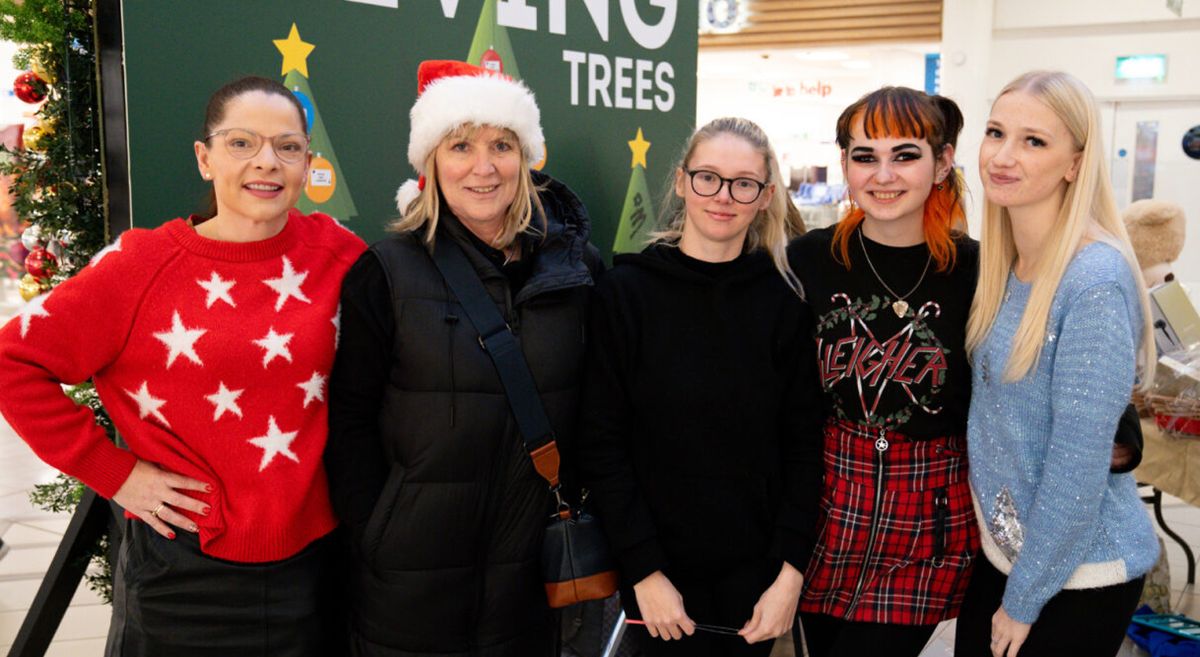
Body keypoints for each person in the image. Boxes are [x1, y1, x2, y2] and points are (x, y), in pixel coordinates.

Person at [0, 76, 366, 656]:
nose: (266, 163)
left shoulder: (341, 254)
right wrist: (113, 471)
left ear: (307, 163)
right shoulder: (141, 265)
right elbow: (11, 361)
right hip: (182, 577)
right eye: (242, 143)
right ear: (205, 158)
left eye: (287, 146)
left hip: (317, 569)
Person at [325, 60, 602, 657]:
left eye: (502, 144)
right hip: (407, 583)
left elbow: (601, 410)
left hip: (532, 576)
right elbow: (348, 420)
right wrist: (379, 531)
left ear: (526, 159)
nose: (483, 166)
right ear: (431, 162)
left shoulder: (578, 272)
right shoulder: (387, 270)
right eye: (460, 145)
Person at [575, 116, 824, 657]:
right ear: (683, 181)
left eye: (744, 183)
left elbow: (804, 449)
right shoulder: (626, 295)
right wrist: (644, 571)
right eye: (708, 177)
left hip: (756, 586)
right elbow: (602, 444)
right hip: (654, 579)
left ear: (765, 196)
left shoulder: (784, 301)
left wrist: (789, 576)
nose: (724, 196)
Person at [955, 70, 1160, 657]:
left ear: (1075, 162)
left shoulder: (1093, 280)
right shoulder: (1006, 262)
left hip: (1077, 571)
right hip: (1013, 555)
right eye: (996, 133)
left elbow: (1079, 461)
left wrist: (1023, 600)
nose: (1003, 155)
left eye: (1034, 141)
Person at [787, 87, 980, 657]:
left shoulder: (979, 270)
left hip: (928, 517)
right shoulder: (806, 260)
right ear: (844, 163)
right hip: (824, 507)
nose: (883, 174)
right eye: (865, 156)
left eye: (905, 155)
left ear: (942, 163)